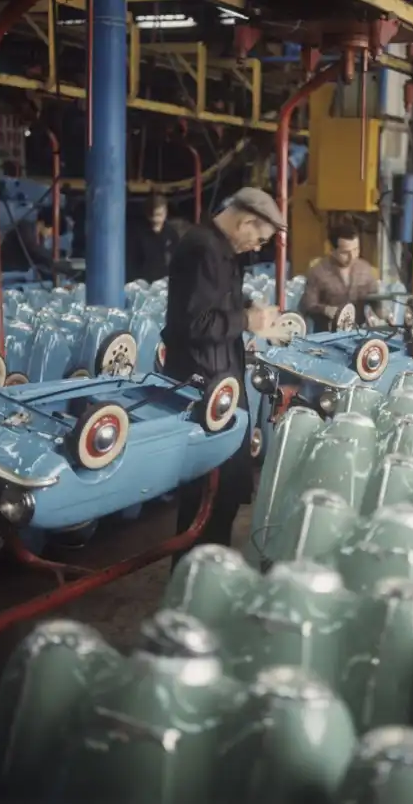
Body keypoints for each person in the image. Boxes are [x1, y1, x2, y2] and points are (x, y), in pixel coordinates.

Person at [161, 186, 284, 556]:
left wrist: (249, 306)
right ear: (245, 222)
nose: (257, 247)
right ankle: (198, 574)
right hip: (203, 384)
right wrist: (247, 320)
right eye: (259, 239)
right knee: (206, 498)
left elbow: (215, 299)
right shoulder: (203, 249)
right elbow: (194, 323)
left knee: (223, 496)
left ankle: (209, 571)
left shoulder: (219, 250)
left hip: (219, 379)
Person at [299, 219, 388, 331]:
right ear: (332, 250)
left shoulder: (365, 269)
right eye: (345, 253)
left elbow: (375, 300)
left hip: (358, 332)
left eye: (356, 250)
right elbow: (307, 305)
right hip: (327, 334)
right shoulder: (318, 272)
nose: (352, 257)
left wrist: (385, 315)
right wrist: (325, 309)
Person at [0, 206, 71, 276]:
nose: (51, 235)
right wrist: (55, 262)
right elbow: (34, 251)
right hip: (0, 265)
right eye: (53, 231)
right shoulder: (25, 228)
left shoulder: (38, 238)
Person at [126, 194, 179, 284]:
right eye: (153, 215)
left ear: (165, 212)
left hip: (164, 283)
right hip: (142, 283)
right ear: (147, 213)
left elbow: (176, 260)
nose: (156, 219)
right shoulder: (136, 233)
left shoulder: (171, 234)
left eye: (159, 215)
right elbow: (131, 261)